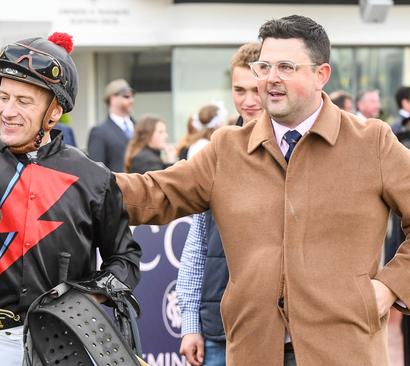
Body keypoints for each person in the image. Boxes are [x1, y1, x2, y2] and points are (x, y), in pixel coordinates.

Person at [114, 15, 410, 366]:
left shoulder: (371, 142)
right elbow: (154, 193)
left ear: (321, 75)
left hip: (345, 352)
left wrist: (389, 287)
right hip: (253, 352)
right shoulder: (227, 147)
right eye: (264, 66)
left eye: (286, 66)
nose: (271, 78)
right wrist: (72, 179)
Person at [0, 33, 141, 365]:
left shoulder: (94, 178)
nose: (6, 111)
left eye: (23, 101)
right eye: (3, 97)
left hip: (65, 344)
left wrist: (86, 295)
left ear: (54, 111)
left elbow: (126, 259)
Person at [177, 42, 262, 366]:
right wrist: (190, 325)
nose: (249, 100)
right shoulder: (215, 151)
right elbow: (198, 244)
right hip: (217, 332)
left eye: (256, 89)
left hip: (276, 335)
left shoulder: (296, 153)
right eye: (239, 89)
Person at [87, 78, 136, 172]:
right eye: (126, 96)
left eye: (132, 96)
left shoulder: (140, 127)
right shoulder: (99, 132)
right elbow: (96, 171)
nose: (131, 100)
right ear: (113, 99)